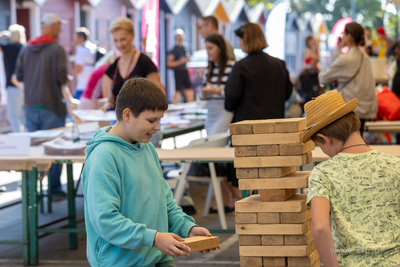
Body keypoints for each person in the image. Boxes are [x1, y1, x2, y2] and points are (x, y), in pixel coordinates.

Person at [82, 78, 220, 267]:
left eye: (160, 120)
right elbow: (105, 220)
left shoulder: (146, 149)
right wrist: (154, 238)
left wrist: (188, 228)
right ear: (128, 115)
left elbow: (165, 203)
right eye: (151, 120)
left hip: (158, 258)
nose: (158, 127)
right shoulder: (104, 156)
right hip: (120, 263)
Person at [303, 90, 400, 267]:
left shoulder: (323, 173)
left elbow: (320, 228)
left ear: (326, 139)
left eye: (319, 145)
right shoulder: (395, 164)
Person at [225, 22, 292, 205]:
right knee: (273, 180)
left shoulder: (241, 67)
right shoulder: (279, 64)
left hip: (248, 134)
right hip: (275, 131)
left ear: (246, 40)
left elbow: (230, 99)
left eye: (240, 39)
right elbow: (287, 93)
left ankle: (252, 218)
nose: (239, 44)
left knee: (249, 182)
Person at [15, 13, 69, 195]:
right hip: (52, 105)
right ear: (52, 27)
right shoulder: (57, 49)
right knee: (55, 150)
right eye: (59, 26)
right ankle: (54, 190)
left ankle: (32, 191)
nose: (61, 30)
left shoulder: (26, 48)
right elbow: (62, 77)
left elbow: (19, 75)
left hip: (30, 106)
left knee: (34, 150)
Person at [319, 22, 377, 135]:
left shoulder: (345, 59)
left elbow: (323, 79)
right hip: (367, 109)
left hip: (352, 111)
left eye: (343, 34)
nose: (342, 37)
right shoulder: (365, 57)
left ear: (349, 36)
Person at [200, 33, 235, 213]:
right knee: (214, 158)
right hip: (211, 114)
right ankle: (226, 199)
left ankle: (231, 196)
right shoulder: (210, 68)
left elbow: (232, 94)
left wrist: (215, 90)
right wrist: (205, 92)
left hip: (224, 113)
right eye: (206, 48)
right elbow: (203, 93)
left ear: (220, 48)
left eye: (211, 48)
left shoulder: (231, 66)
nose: (208, 52)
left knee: (219, 157)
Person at [102, 17, 165, 112]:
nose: (119, 44)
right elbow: (111, 99)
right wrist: (108, 104)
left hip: (141, 120)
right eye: (115, 40)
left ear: (132, 35)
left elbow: (161, 94)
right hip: (119, 121)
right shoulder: (113, 67)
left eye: (123, 39)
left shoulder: (144, 62)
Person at [0, 24, 26, 132]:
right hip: (25, 85)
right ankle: (26, 136)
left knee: (14, 116)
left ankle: (19, 139)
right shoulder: (24, 48)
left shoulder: (9, 47)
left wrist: (3, 36)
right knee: (22, 115)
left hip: (13, 84)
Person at [167, 29, 194, 105]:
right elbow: (169, 63)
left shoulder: (185, 47)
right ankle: (175, 105)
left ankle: (191, 105)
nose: (180, 38)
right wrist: (180, 62)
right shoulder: (174, 50)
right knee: (177, 90)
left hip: (185, 70)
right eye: (179, 36)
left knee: (189, 89)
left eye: (181, 36)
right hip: (178, 72)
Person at [74, 27, 96, 99]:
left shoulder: (82, 49)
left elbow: (78, 69)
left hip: (82, 85)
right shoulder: (92, 47)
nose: (74, 39)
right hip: (91, 83)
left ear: (81, 38)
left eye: (75, 37)